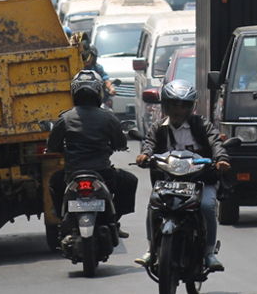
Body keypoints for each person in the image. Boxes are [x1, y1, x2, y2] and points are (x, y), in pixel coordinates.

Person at [135, 80, 230, 271]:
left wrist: (220, 159)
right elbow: (149, 143)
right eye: (173, 104)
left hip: (201, 180)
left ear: (191, 107)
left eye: (184, 105)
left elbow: (216, 143)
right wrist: (145, 155)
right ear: (165, 105)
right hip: (168, 181)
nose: (178, 110)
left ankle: (209, 253)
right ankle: (151, 248)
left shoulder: (202, 125)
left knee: (207, 206)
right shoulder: (158, 127)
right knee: (153, 206)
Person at [46, 71, 137, 239]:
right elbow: (120, 144)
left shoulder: (65, 118)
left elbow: (52, 146)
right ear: (98, 92)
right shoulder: (109, 117)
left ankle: (62, 217)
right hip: (103, 174)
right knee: (131, 181)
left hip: (71, 175)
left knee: (53, 182)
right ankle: (114, 220)